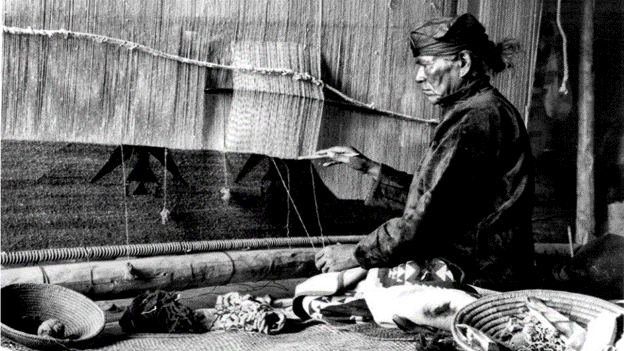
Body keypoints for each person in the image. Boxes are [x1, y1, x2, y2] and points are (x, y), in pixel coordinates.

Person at [313, 13, 535, 290]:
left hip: (479, 274)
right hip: (485, 263)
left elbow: (429, 215)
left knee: (353, 290)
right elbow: (441, 197)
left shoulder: (476, 118)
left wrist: (357, 254)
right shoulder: (479, 109)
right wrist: (369, 167)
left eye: (426, 65)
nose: (418, 77)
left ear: (463, 62)